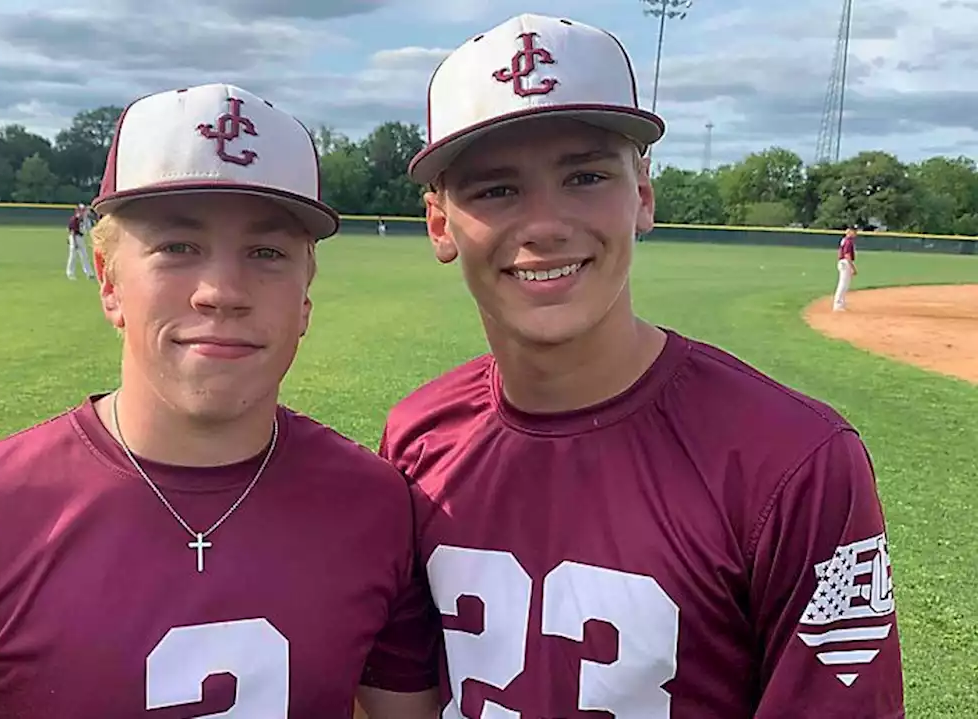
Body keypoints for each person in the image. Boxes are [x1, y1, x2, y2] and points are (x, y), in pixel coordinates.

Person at [0, 83, 440, 719]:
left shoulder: (376, 507)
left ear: (306, 294)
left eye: (267, 253)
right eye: (177, 248)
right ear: (109, 282)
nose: (220, 291)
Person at [380, 13, 904, 718]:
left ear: (644, 196)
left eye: (587, 175)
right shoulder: (417, 436)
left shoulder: (797, 462)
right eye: (495, 189)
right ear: (440, 224)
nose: (545, 223)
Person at [66, 202, 94, 279]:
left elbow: (88, 229)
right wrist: (74, 243)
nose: (83, 212)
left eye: (83, 210)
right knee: (73, 256)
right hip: (74, 237)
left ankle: (89, 273)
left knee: (84, 255)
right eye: (81, 210)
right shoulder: (74, 219)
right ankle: (70, 273)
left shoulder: (85, 219)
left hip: (81, 237)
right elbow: (72, 231)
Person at [834, 226, 858, 311]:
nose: (855, 233)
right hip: (845, 262)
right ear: (849, 232)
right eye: (854, 231)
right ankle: (838, 304)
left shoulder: (845, 240)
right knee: (843, 284)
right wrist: (853, 267)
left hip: (843, 262)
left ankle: (841, 303)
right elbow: (847, 255)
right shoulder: (848, 241)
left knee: (845, 284)